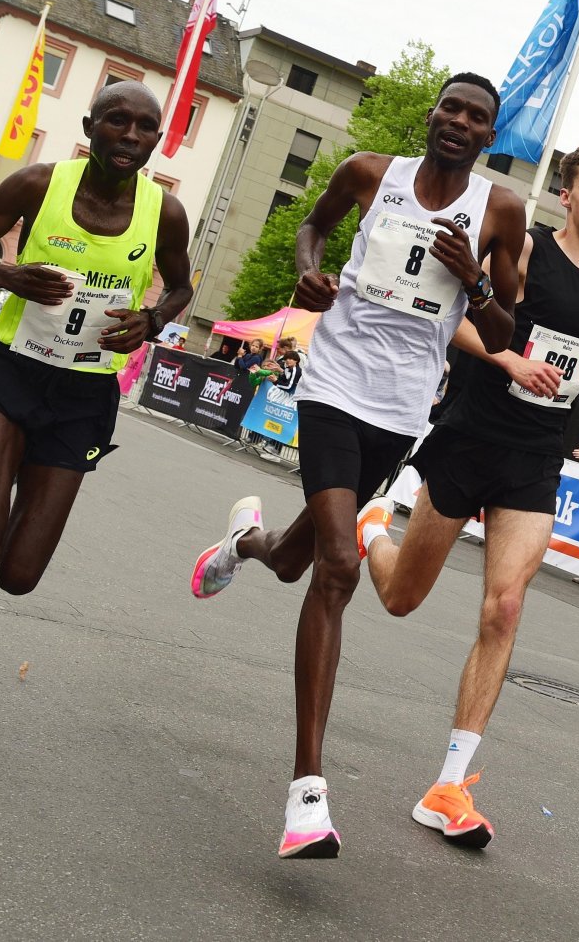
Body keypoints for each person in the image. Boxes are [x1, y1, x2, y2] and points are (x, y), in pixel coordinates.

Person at [187, 73, 525, 859]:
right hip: (335, 386)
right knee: (338, 566)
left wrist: (473, 280)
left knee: (292, 558)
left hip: (404, 410)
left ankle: (245, 542)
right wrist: (309, 269)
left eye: (477, 117)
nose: (459, 122)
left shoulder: (500, 211)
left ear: (488, 137)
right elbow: (314, 227)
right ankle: (307, 794)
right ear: (434, 116)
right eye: (451, 108)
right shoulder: (373, 173)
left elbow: (507, 326)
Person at [0, 81, 192, 757]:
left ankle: (25, 477)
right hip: (10, 371)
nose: (132, 136)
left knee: (20, 574)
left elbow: (181, 286)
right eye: (118, 122)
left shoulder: (165, 212)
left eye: (147, 127)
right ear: (91, 127)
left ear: (155, 139)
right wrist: (5, 276)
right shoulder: (37, 185)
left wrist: (151, 320)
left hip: (84, 395)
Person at [350, 140, 579, 850]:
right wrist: (511, 357)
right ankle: (372, 530)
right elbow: (461, 319)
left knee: (505, 606)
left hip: (536, 457)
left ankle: (447, 785)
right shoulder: (530, 248)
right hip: (473, 433)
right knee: (401, 597)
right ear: (565, 196)